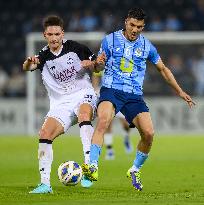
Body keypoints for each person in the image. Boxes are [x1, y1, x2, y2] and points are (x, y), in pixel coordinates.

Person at [82, 8, 195, 191]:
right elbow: (97, 68)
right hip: (111, 90)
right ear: (126, 22)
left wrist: (180, 91)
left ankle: (135, 169)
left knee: (149, 134)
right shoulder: (110, 40)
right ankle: (92, 166)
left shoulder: (147, 46)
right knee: (103, 121)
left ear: (143, 27)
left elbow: (163, 69)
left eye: (139, 27)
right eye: (132, 25)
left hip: (134, 95)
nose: (135, 30)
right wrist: (98, 64)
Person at [23, 15, 104, 194]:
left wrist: (94, 64)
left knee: (84, 115)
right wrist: (29, 62)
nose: (53, 38)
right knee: (44, 134)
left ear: (62, 34)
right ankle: (45, 184)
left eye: (57, 34)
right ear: (45, 35)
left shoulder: (76, 48)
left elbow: (98, 68)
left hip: (83, 94)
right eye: (50, 34)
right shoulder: (43, 56)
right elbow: (27, 68)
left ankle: (90, 167)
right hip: (61, 103)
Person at [92, 72, 133, 160]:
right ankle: (109, 150)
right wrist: (95, 89)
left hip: (120, 95)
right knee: (107, 122)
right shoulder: (104, 60)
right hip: (107, 95)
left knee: (126, 123)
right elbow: (96, 74)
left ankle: (126, 138)